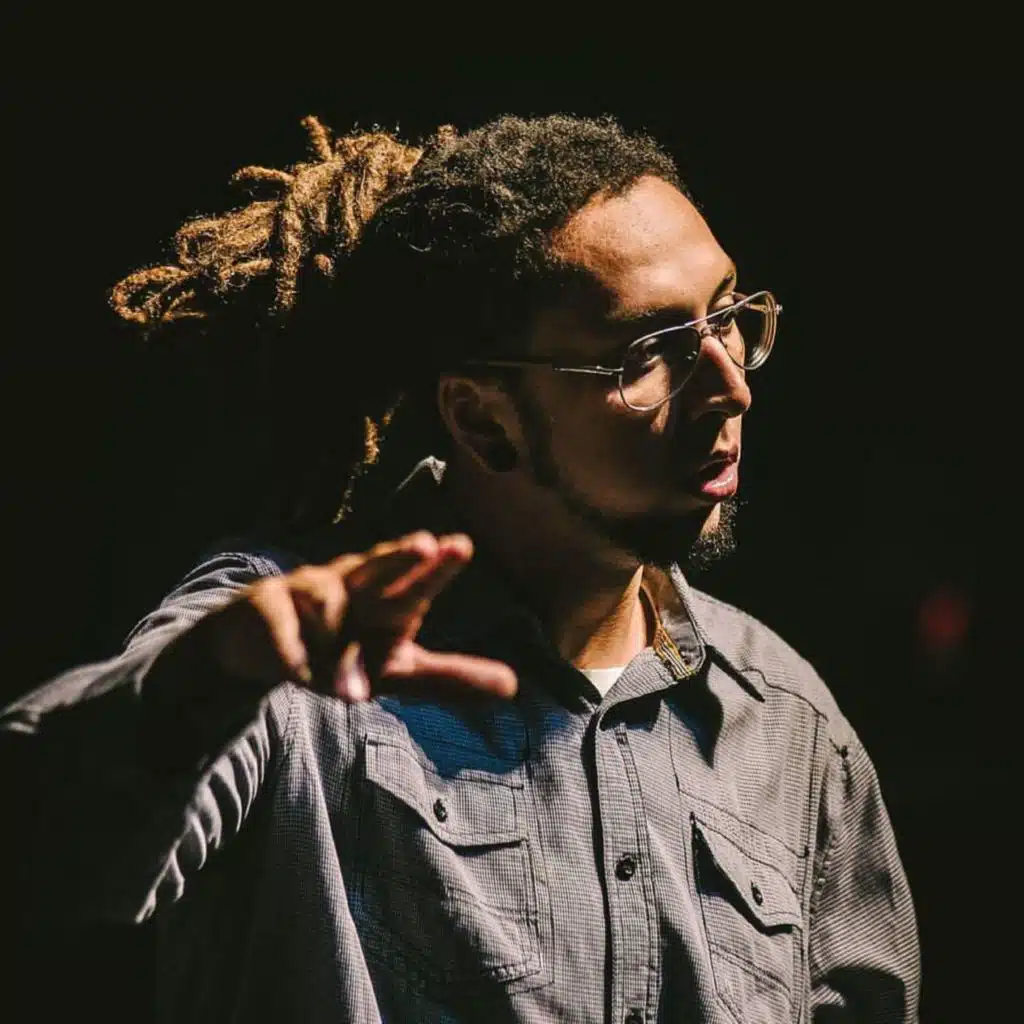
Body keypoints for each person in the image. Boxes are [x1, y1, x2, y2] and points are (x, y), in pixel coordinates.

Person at [0, 113, 920, 1022]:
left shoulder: (788, 725)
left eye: (728, 315)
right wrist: (203, 684)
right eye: (650, 353)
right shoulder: (291, 652)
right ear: (484, 420)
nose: (731, 386)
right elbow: (38, 851)